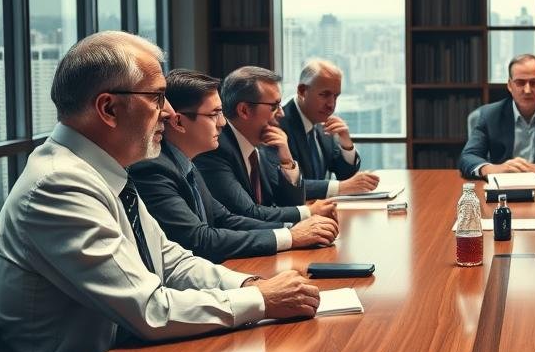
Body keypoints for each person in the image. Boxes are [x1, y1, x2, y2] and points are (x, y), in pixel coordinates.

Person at [0, 32, 321, 352]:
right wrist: (259, 300)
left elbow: (169, 260)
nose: (168, 112)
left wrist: (250, 283)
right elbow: (150, 310)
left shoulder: (102, 170)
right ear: (108, 108)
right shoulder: (59, 185)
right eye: (157, 97)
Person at [131, 69, 339, 262]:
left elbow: (225, 218)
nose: (222, 122)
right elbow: (199, 239)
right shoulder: (154, 168)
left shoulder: (185, 161)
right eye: (214, 114)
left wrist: (293, 231)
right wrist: (291, 236)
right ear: (178, 123)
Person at [195, 66, 337, 224]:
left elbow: (288, 204)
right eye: (274, 106)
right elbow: (248, 213)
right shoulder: (216, 148)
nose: (281, 113)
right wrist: (309, 211)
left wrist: (287, 162)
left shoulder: (262, 142)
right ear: (244, 110)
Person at [458, 54, 535, 179]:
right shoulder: (490, 115)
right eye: (520, 83)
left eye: (534, 83)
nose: (527, 90)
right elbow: (467, 157)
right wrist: (493, 169)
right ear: (509, 85)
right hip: (502, 186)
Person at [279, 59, 379, 200]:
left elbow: (346, 177)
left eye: (336, 96)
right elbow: (285, 185)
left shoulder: (321, 122)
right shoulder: (279, 124)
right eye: (324, 95)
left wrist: (346, 144)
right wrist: (341, 187)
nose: (331, 105)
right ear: (302, 91)